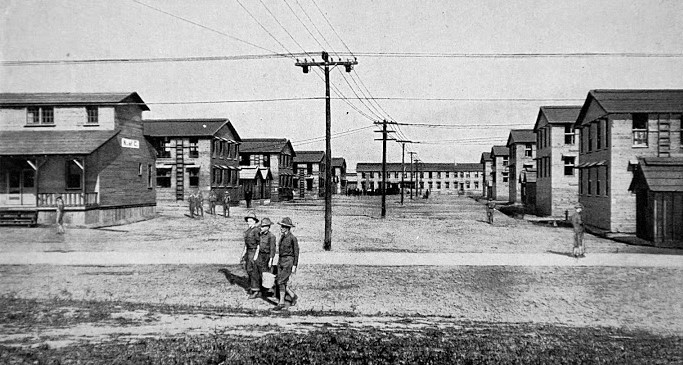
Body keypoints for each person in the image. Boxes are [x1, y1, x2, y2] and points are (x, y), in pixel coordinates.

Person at [274, 217, 299, 311]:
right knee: (281, 281)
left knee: (280, 281)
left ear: (288, 228)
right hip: (281, 261)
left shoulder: (293, 238)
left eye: (283, 226)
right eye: (281, 226)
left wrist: (294, 265)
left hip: (288, 262)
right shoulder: (282, 237)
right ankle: (293, 296)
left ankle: (281, 303)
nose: (281, 228)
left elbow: (296, 253)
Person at [241, 211, 261, 299]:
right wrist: (243, 254)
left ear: (254, 221)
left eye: (251, 220)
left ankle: (256, 290)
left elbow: (259, 243)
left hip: (253, 251)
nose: (249, 221)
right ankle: (252, 287)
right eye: (248, 220)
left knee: (253, 271)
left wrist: (256, 255)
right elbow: (246, 244)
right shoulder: (247, 231)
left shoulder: (256, 230)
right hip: (248, 252)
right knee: (248, 269)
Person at [256, 217, 277, 297]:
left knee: (268, 274)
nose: (261, 228)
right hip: (261, 255)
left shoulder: (271, 236)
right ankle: (263, 290)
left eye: (263, 227)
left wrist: (270, 260)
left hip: (267, 256)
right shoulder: (260, 235)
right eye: (261, 226)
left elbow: (272, 249)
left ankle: (271, 291)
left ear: (268, 227)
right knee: (260, 272)